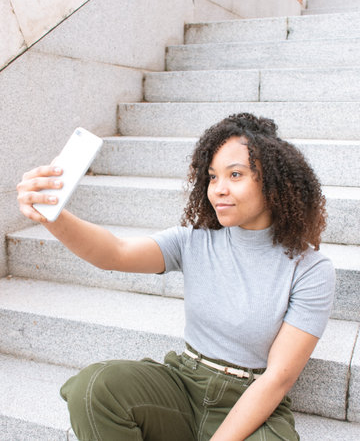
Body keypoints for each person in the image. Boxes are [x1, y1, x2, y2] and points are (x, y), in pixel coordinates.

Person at [16, 113, 335, 441]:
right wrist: (52, 217)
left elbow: (278, 379)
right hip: (184, 384)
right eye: (212, 177)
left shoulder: (311, 270)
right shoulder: (193, 241)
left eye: (235, 175)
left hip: (250, 397)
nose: (219, 189)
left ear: (272, 182)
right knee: (94, 389)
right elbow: (114, 252)